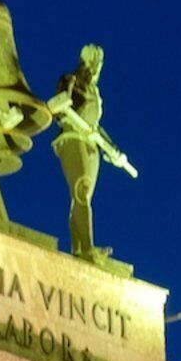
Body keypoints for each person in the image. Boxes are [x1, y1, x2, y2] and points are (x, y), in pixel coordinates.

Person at [49, 44, 111, 259]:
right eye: (96, 63)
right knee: (81, 191)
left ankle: (79, 246)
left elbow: (95, 125)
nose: (97, 68)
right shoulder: (72, 80)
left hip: (90, 143)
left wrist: (112, 149)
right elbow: (60, 108)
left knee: (83, 197)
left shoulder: (95, 90)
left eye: (99, 65)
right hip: (73, 138)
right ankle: (86, 247)